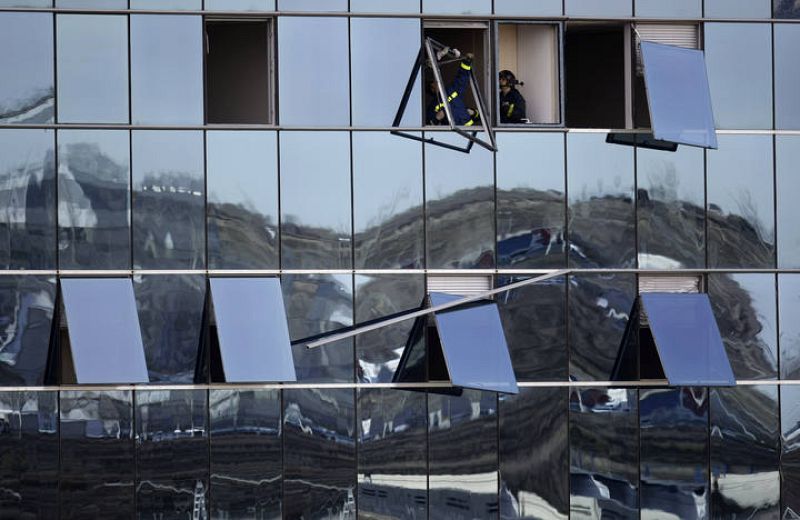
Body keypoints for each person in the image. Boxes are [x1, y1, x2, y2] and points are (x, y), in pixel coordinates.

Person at [426, 50, 480, 127]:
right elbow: (430, 126)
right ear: (432, 89)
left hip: (470, 132)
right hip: (454, 136)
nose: (438, 84)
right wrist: (437, 118)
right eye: (435, 84)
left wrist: (466, 63)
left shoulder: (451, 90)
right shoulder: (433, 106)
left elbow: (462, 79)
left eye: (437, 83)